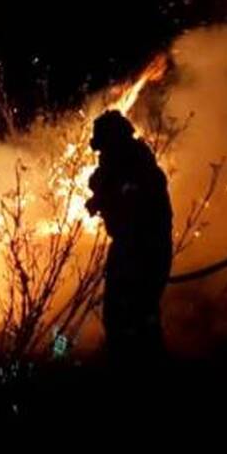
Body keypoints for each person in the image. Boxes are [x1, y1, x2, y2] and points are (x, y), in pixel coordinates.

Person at [86, 111, 173, 364]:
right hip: (128, 247)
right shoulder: (123, 167)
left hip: (144, 250)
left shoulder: (141, 170)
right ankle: (127, 363)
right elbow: (103, 184)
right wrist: (99, 197)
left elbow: (135, 201)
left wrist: (104, 198)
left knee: (138, 315)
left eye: (104, 148)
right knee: (120, 315)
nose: (101, 156)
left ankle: (140, 368)